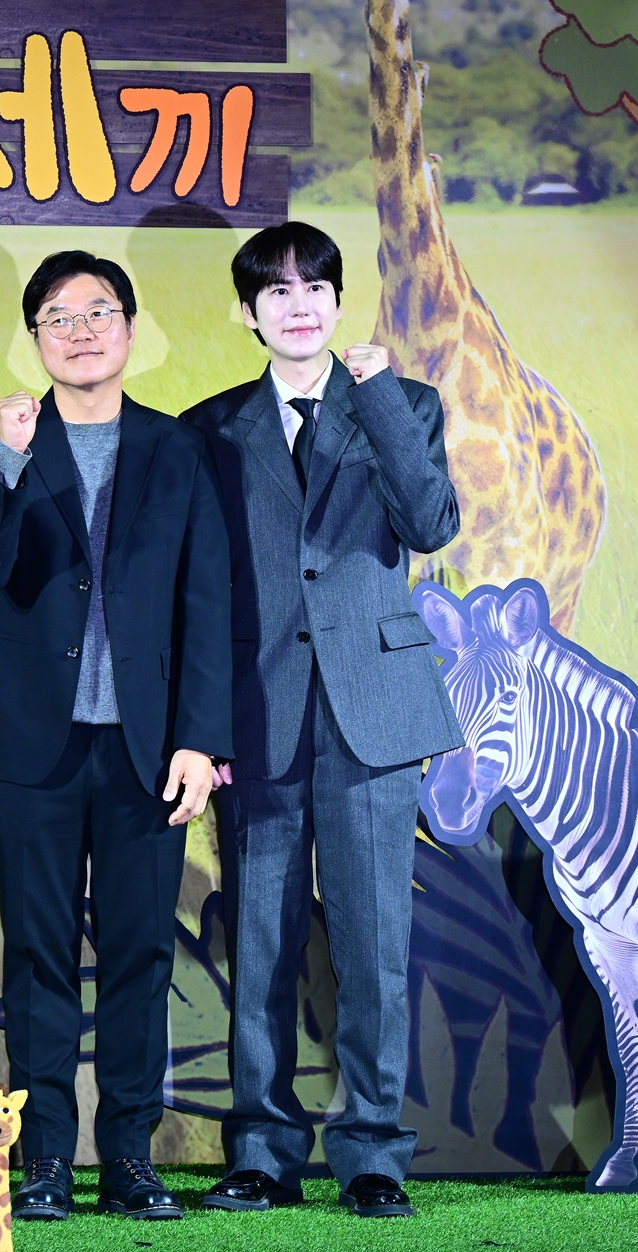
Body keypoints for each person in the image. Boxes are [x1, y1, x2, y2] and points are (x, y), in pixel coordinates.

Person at [183, 222, 464, 1220]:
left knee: (372, 942)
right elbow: (199, 589)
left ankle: (373, 1151)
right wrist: (202, 725)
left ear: (339, 302)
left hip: (370, 712)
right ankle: (260, 1149)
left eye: (314, 288)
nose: (297, 306)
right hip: (255, 714)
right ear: (246, 312)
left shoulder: (404, 405)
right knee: (259, 940)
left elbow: (429, 524)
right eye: (276, 291)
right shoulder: (210, 427)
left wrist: (377, 394)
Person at [0, 250, 232, 1222]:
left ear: (129, 327)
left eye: (98, 311)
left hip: (146, 751)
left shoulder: (179, 447)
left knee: (139, 954)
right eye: (58, 318)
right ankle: (42, 1161)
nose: (80, 331)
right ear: (35, 338)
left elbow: (207, 600)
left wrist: (199, 739)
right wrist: (7, 457)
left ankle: (128, 1158)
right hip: (30, 743)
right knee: (35, 953)